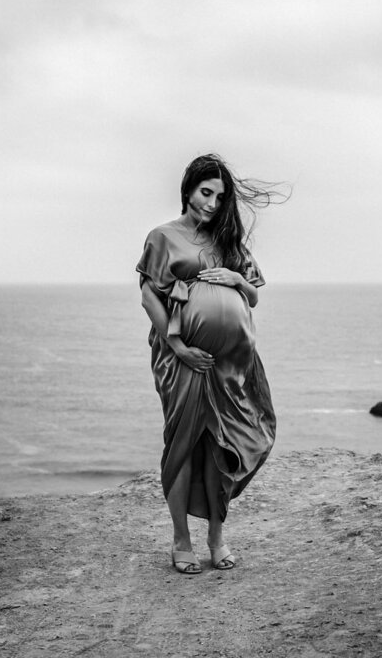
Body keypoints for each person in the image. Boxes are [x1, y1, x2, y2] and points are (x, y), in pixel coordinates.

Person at [136, 154, 285, 574]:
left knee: (225, 443)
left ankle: (216, 536)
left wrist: (237, 280)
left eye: (220, 197)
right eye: (206, 193)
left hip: (230, 363)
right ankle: (181, 540)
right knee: (183, 444)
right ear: (187, 190)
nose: (212, 204)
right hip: (182, 359)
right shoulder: (163, 237)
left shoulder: (228, 241)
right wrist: (179, 345)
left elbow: (252, 295)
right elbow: (149, 296)